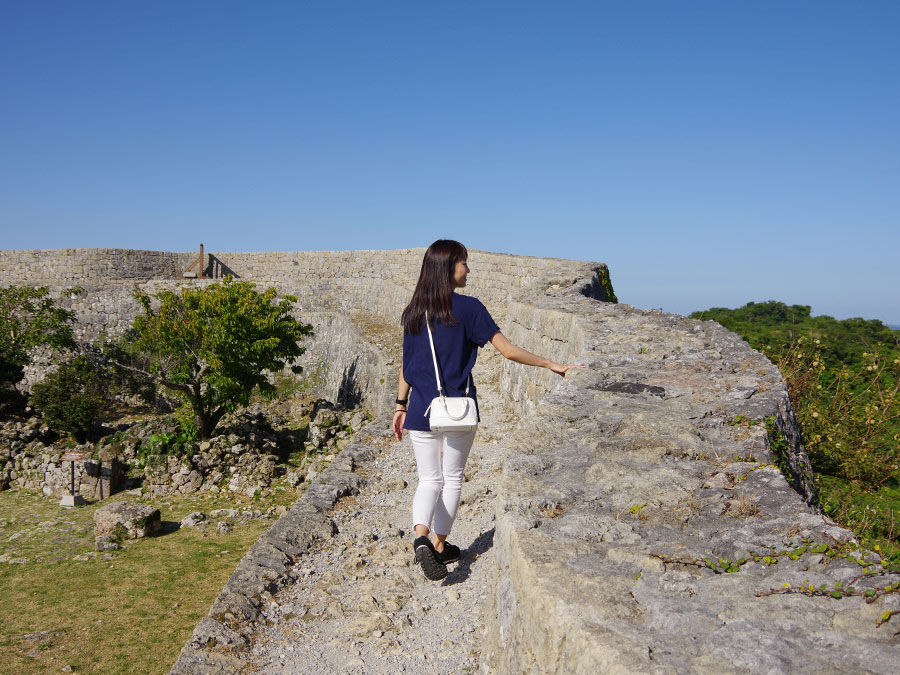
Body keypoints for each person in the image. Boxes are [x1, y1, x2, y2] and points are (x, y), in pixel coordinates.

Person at [392, 240, 582, 581]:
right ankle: (438, 545)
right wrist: (553, 364)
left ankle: (420, 537)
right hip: (458, 411)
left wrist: (400, 404)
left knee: (427, 479)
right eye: (464, 263)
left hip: (421, 410)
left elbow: (407, 365)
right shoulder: (468, 309)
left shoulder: (412, 311)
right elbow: (507, 351)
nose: (468, 269)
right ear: (449, 268)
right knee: (450, 478)